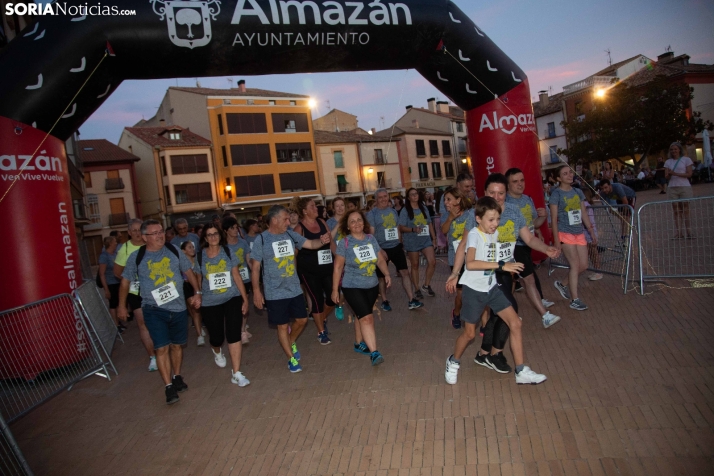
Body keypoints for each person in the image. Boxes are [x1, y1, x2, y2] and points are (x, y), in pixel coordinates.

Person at [453, 174, 561, 374]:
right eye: (492, 192)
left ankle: (486, 353)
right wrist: (454, 273)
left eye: (501, 193)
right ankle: (493, 354)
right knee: (509, 308)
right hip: (487, 270)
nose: (497, 196)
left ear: (506, 194)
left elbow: (528, 238)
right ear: (484, 193)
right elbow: (463, 246)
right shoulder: (475, 215)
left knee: (500, 312)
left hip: (505, 269)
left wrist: (546, 249)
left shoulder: (514, 211)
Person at [445, 197, 547, 385]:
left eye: (497, 219)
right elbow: (472, 263)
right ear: (478, 219)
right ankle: (453, 362)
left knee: (515, 323)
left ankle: (521, 371)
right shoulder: (475, 234)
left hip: (491, 287)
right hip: (474, 290)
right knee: (469, 334)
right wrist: (502, 265)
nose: (495, 224)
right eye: (491, 220)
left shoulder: (494, 233)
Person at [117, 220, 202, 405]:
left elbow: (188, 270)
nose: (159, 235)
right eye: (154, 233)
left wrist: (197, 292)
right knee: (162, 347)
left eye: (161, 231)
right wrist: (122, 306)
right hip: (153, 309)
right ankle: (168, 386)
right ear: (145, 237)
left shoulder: (173, 250)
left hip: (178, 307)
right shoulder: (137, 257)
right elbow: (125, 281)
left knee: (177, 346)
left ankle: (177, 376)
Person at [250, 205, 332, 373]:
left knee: (302, 320)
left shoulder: (289, 234)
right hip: (275, 291)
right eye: (285, 219)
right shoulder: (262, 240)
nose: (289, 222)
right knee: (281, 325)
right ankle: (291, 358)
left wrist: (322, 241)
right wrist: (257, 292)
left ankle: (291, 340)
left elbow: (310, 243)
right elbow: (255, 268)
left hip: (294, 288)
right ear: (274, 220)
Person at [332, 209, 391, 366]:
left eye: (359, 220)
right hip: (352, 286)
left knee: (362, 314)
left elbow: (379, 260)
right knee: (367, 318)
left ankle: (358, 343)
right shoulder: (345, 243)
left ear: (364, 223)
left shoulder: (371, 239)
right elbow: (338, 267)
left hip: (371, 285)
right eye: (352, 221)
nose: (356, 223)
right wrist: (334, 290)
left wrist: (386, 274)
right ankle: (374, 352)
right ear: (348, 226)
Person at [505, 168, 561, 328]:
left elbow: (531, 225)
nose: (520, 184)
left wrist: (542, 218)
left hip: (527, 245)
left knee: (515, 281)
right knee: (528, 279)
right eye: (515, 181)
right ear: (508, 185)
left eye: (522, 180)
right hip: (513, 246)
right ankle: (545, 315)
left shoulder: (527, 200)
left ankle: (507, 314)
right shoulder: (505, 203)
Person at [197, 223, 250, 386]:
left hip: (231, 297)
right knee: (217, 337)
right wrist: (197, 294)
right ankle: (217, 350)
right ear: (205, 238)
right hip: (210, 302)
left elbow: (236, 276)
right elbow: (199, 278)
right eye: (209, 234)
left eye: (215, 234)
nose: (213, 237)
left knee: (233, 333)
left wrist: (245, 298)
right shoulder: (200, 256)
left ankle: (236, 372)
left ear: (220, 236)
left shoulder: (228, 252)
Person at [549, 165, 597, 311]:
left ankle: (562, 284)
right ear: (558, 178)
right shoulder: (556, 194)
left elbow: (583, 212)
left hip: (579, 233)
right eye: (565, 174)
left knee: (584, 265)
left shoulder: (577, 192)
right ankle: (574, 300)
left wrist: (591, 231)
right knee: (575, 265)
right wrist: (557, 240)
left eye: (570, 172)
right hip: (565, 233)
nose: (569, 175)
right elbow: (554, 218)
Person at [366, 189, 424, 311]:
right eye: (380, 197)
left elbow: (397, 228)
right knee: (381, 277)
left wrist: (400, 243)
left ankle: (411, 299)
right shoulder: (372, 214)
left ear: (388, 197)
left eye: (385, 196)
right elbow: (371, 235)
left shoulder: (393, 211)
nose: (383, 199)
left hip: (396, 246)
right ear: (376, 200)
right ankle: (385, 300)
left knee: (405, 273)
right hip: (381, 248)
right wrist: (379, 249)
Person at [114, 218, 157, 372]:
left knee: (160, 319)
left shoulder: (152, 245)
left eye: (140, 230)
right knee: (142, 323)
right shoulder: (124, 249)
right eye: (134, 230)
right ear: (129, 232)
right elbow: (117, 273)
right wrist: (131, 279)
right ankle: (153, 357)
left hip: (155, 289)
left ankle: (163, 348)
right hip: (135, 291)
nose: (137, 233)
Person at [292, 197, 336, 345]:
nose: (316, 208)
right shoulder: (299, 228)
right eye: (312, 206)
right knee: (316, 299)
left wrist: (340, 259)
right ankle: (321, 332)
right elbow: (294, 253)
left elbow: (331, 243)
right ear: (304, 211)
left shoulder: (322, 222)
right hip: (309, 271)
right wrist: (293, 273)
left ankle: (321, 318)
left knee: (333, 297)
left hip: (327, 267)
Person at [441, 187, 475, 329]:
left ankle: (478, 320)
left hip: (472, 258)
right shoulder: (446, 215)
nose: (446, 203)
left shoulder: (470, 214)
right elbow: (443, 231)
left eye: (448, 199)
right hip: (455, 259)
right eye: (444, 200)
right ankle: (456, 312)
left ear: (458, 200)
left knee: (475, 291)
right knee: (461, 294)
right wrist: (450, 218)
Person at [398, 188, 436, 298]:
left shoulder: (423, 207)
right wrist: (413, 229)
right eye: (412, 194)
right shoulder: (405, 210)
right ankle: (417, 288)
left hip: (425, 239)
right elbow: (401, 227)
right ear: (408, 197)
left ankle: (426, 285)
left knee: (432, 261)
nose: (415, 196)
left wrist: (434, 238)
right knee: (415, 265)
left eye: (416, 194)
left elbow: (429, 223)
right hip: (412, 241)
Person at [223, 216, 253, 344]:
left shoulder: (243, 242)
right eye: (232, 228)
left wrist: (255, 272)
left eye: (236, 228)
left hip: (244, 277)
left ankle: (242, 330)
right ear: (226, 231)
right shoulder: (223, 245)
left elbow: (248, 259)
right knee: (234, 305)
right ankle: (236, 328)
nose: (235, 230)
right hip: (230, 279)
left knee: (244, 302)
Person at [664, 142, 694, 239]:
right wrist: (669, 175)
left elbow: (689, 174)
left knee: (686, 209)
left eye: (675, 149)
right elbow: (666, 177)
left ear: (679, 150)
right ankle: (678, 232)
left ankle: (689, 231)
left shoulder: (686, 160)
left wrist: (676, 174)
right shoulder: (668, 162)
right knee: (676, 210)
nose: (673, 151)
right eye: (672, 149)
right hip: (672, 187)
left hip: (684, 186)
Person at [179, 241, 206, 346]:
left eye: (193, 247)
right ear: (183, 250)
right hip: (187, 287)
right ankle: (199, 335)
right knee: (194, 310)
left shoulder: (198, 259)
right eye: (189, 247)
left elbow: (201, 274)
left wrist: (199, 287)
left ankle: (199, 325)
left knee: (199, 310)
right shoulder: (181, 262)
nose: (192, 249)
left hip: (199, 285)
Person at [98, 236, 123, 333]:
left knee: (117, 303)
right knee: (113, 304)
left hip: (118, 282)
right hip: (110, 283)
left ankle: (119, 322)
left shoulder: (115, 254)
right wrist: (106, 289)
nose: (116, 243)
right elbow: (102, 274)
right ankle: (115, 325)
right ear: (110, 243)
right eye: (115, 242)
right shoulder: (104, 256)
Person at [582, 188, 603, 281]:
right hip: (586, 230)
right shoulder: (587, 204)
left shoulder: (585, 205)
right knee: (591, 252)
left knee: (593, 252)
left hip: (588, 231)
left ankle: (598, 271)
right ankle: (596, 270)